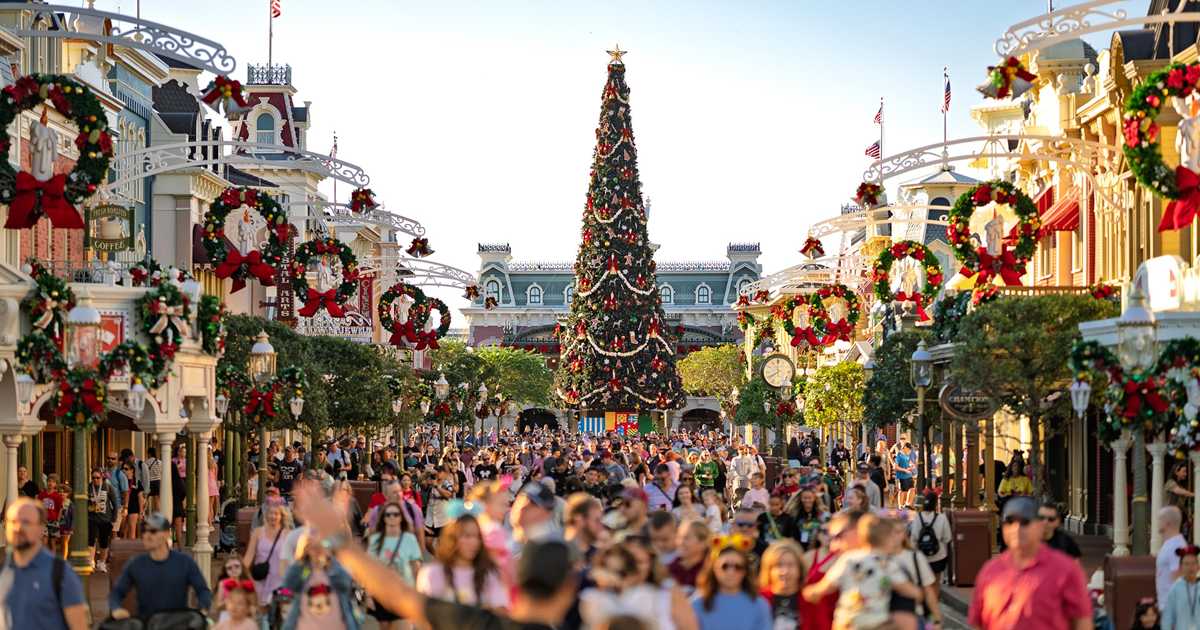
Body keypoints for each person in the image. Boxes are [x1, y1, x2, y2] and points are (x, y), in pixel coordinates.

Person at [293, 481, 578, 630]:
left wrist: (339, 540)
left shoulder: (479, 624)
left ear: (519, 577)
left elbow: (399, 595)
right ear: (567, 590)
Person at [967, 496, 1090, 629]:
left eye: (1025, 522)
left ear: (1038, 526)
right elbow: (978, 622)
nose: (1017, 528)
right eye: (1010, 521)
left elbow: (1081, 622)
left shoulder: (1065, 570)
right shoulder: (990, 571)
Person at [803, 513, 922, 630]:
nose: (832, 546)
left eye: (838, 536)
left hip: (847, 621)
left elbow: (825, 586)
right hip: (876, 623)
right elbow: (910, 590)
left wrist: (812, 592)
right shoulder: (890, 564)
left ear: (858, 533)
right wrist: (919, 593)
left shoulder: (848, 559)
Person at [0, 497, 88, 630]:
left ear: (41, 529)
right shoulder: (3, 570)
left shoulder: (60, 573)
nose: (18, 528)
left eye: (26, 522)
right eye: (13, 522)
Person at [109, 512, 213, 620]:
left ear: (167, 534)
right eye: (144, 531)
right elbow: (117, 592)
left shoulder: (184, 562)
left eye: (153, 531)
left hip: (177, 624)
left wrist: (202, 609)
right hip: (147, 624)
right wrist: (116, 608)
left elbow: (203, 591)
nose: (146, 535)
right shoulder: (136, 564)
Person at [417, 513, 509, 610]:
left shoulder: (490, 573)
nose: (474, 542)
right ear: (452, 538)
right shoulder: (432, 573)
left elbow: (500, 611)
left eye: (477, 537)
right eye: (467, 536)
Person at [280, 530, 359, 630]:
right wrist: (301, 559)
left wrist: (329, 560)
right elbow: (289, 584)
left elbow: (345, 584)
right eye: (312, 546)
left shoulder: (333, 569)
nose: (317, 550)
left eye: (321, 545)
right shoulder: (304, 570)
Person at [690, 534, 772, 630]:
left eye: (738, 567)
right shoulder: (697, 604)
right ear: (714, 568)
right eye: (725, 566)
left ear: (745, 571)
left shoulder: (759, 605)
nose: (731, 572)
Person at [366, 501, 423, 629]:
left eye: (396, 514)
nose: (392, 517)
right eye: (388, 514)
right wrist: (368, 595)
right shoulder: (376, 539)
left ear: (401, 517)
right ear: (383, 518)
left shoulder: (409, 539)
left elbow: (416, 568)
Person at [244, 499, 290, 609]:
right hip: (261, 580)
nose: (273, 516)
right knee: (262, 617)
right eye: (270, 513)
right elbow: (248, 557)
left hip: (281, 582)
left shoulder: (287, 534)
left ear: (282, 516)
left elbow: (293, 560)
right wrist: (239, 576)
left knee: (281, 616)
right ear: (266, 514)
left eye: (276, 514)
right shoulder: (258, 532)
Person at [758, 539, 806, 630]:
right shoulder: (757, 600)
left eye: (790, 565)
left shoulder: (811, 600)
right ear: (769, 570)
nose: (784, 572)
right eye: (778, 565)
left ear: (800, 569)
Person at [909, 491, 952, 589]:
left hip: (921, 556)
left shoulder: (918, 518)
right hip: (938, 556)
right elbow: (947, 538)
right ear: (936, 503)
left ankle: (925, 602)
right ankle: (934, 601)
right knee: (935, 583)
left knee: (923, 583)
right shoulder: (941, 518)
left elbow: (914, 537)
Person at [87, 466, 118, 573]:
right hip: (92, 518)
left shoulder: (108, 487)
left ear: (102, 478)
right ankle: (91, 561)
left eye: (97, 478)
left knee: (104, 542)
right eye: (93, 478)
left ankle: (101, 563)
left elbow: (115, 503)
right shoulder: (88, 487)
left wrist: (113, 519)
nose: (95, 480)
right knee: (91, 540)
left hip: (105, 519)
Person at [668, 520, 711, 594]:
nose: (680, 542)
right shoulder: (669, 570)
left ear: (703, 543)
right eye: (679, 537)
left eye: (686, 538)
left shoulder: (712, 571)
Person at [1163, 544, 1200, 629]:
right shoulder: (1175, 588)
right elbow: (1167, 618)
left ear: (1198, 566)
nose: (1190, 567)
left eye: (1193, 563)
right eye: (1186, 564)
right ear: (1181, 567)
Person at [1158, 506, 1188, 605]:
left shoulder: (1176, 546)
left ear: (1167, 523)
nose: (1157, 522)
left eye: (1159, 519)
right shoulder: (1170, 544)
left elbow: (1179, 579)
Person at [894, 442, 915, 509]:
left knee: (912, 489)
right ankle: (900, 506)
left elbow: (909, 462)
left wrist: (911, 465)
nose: (910, 451)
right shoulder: (899, 455)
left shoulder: (906, 455)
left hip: (909, 475)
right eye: (909, 449)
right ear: (905, 447)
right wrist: (905, 470)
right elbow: (895, 467)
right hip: (902, 476)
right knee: (903, 491)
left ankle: (908, 504)